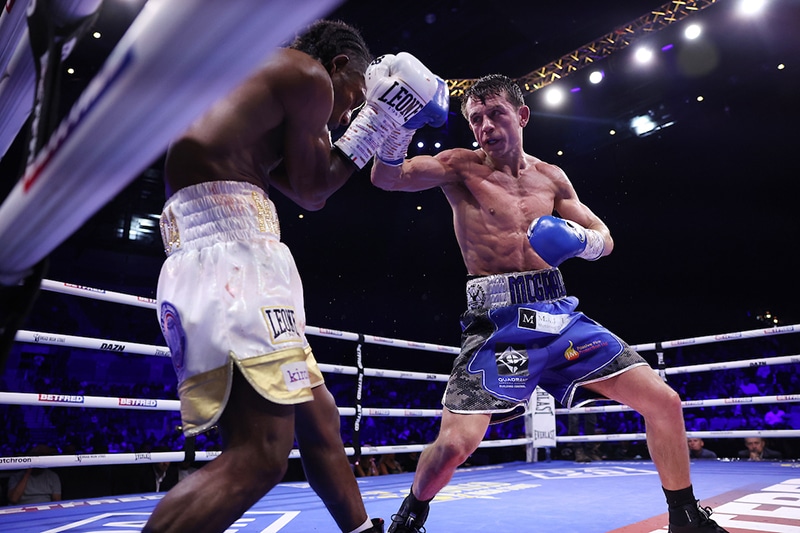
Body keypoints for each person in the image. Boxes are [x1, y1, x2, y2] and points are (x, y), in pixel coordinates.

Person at [370, 74, 728, 533]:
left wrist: (578, 240)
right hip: (497, 323)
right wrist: (397, 126)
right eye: (476, 119)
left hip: (559, 315)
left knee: (664, 401)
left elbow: (605, 238)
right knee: (455, 445)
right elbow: (388, 178)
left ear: (521, 116)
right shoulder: (460, 167)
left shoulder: (551, 177)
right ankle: (409, 515)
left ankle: (684, 516)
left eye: (496, 114)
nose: (486, 127)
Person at [143, 20, 443, 533]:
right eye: (351, 97)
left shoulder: (258, 87)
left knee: (318, 415)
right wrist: (374, 121)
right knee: (260, 455)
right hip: (232, 260)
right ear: (341, 64)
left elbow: (304, 186)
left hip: (226, 252)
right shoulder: (306, 73)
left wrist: (376, 124)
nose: (344, 112)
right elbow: (316, 189)